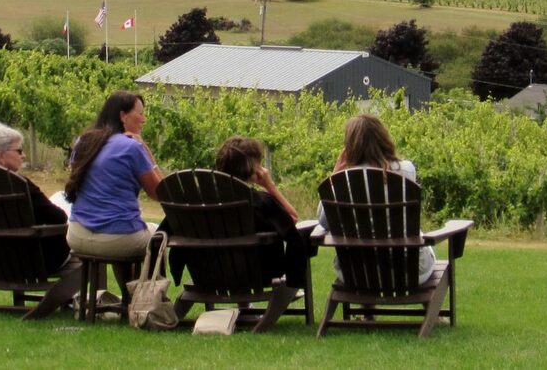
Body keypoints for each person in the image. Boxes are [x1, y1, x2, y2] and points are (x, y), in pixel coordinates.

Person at [164, 136, 309, 288]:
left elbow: (165, 229)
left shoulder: (194, 203)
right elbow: (292, 218)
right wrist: (270, 186)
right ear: (252, 169)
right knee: (296, 266)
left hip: (207, 275)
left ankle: (243, 308)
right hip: (258, 274)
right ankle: (265, 311)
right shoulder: (260, 202)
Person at [317, 114, 435, 285]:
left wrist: (335, 175)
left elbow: (323, 222)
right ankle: (432, 312)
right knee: (422, 242)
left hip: (356, 273)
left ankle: (367, 311)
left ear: (350, 146)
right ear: (383, 138)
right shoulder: (407, 170)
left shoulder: (344, 181)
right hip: (410, 271)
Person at [0, 122, 82, 317]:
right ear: (0, 155)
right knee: (83, 249)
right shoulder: (20, 185)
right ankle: (81, 302)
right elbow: (58, 217)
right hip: (36, 261)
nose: (23, 155)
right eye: (19, 151)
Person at [64, 91, 163, 259]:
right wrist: (146, 149)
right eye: (140, 113)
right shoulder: (131, 147)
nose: (144, 119)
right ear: (123, 116)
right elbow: (159, 192)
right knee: (159, 235)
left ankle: (129, 286)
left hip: (77, 234)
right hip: (117, 238)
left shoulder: (84, 141)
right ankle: (150, 286)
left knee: (126, 238)